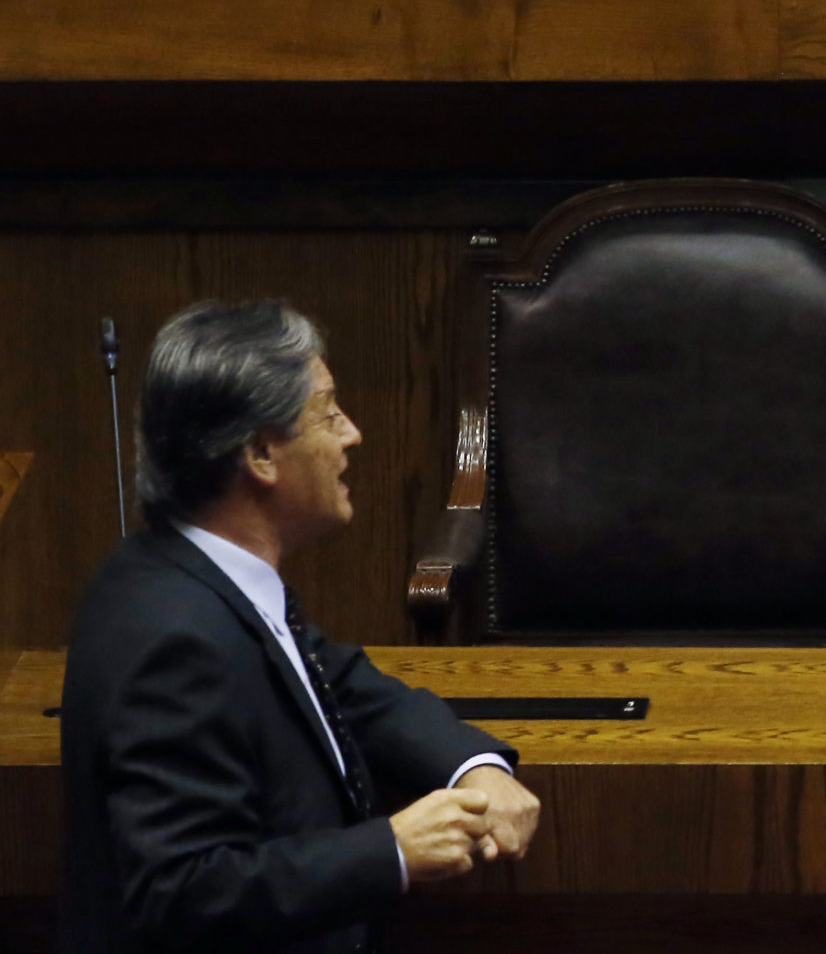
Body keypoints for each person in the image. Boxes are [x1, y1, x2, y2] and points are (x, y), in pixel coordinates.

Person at [60, 301, 542, 952]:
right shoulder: (176, 638)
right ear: (261, 453)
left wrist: (471, 765)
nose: (353, 434)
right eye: (329, 412)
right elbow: (181, 889)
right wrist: (392, 850)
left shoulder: (185, 573)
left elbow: (334, 680)